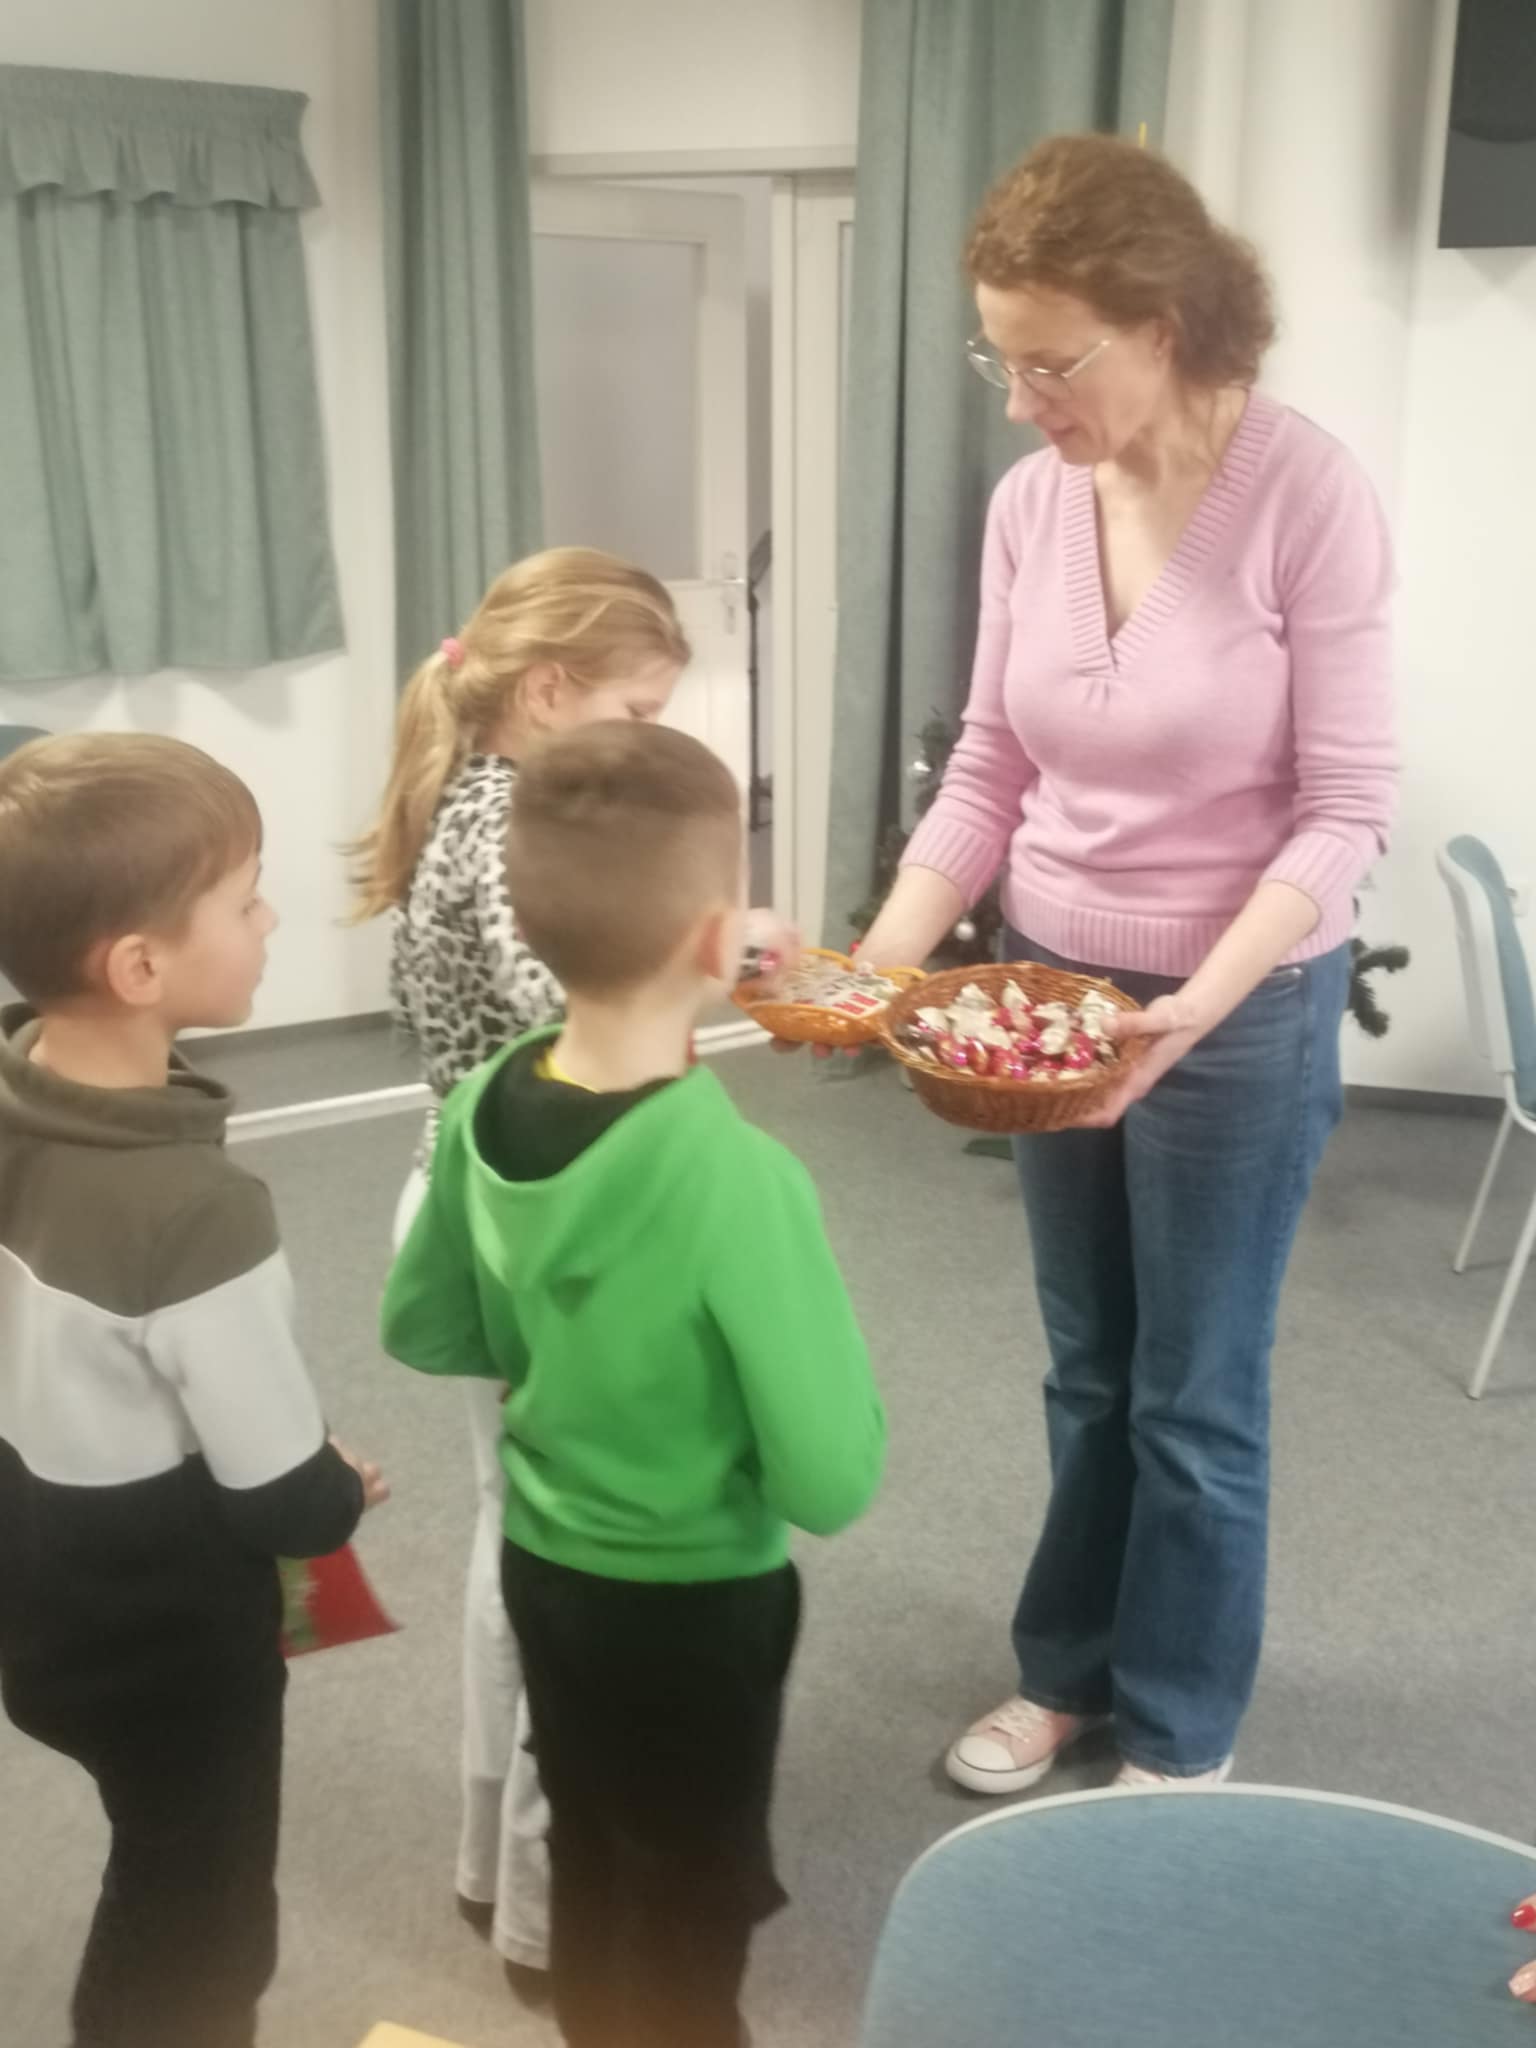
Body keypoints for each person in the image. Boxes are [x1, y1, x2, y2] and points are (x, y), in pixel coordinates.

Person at [857, 134, 1397, 1791]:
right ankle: (1068, 1675)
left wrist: (1193, 1011)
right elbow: (990, 768)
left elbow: (1347, 810)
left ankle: (1180, 1727)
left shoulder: (1307, 497)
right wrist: (876, 963)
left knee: (1195, 1393)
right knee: (1091, 1370)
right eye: (1000, 361)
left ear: (1164, 326)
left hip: (1234, 1010)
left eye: (1051, 363)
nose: (1024, 403)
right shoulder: (1032, 505)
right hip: (1044, 989)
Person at [380, 720, 886, 2048]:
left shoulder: (482, 1101)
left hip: (546, 1569)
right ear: (722, 943)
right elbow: (831, 1478)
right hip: (696, 1602)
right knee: (688, 1895)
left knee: (594, 1844)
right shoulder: (739, 1180)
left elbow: (426, 1325)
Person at [350, 547, 793, 1996]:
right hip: (551, 1211)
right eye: (640, 710)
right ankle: (547, 1909)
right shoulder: (512, 826)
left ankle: (501, 1867)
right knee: (559, 1553)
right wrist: (727, 948)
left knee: (514, 1533)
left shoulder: (471, 795)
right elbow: (594, 996)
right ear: (548, 691)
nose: (649, 738)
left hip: (486, 1178)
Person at [0, 733, 386, 2048]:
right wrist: (342, 1484)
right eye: (246, 899)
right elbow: (282, 1498)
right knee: (196, 1922)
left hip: (40, 1596)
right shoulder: (199, 1212)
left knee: (150, 1865)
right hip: (167, 1644)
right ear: (141, 969)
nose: (270, 921)